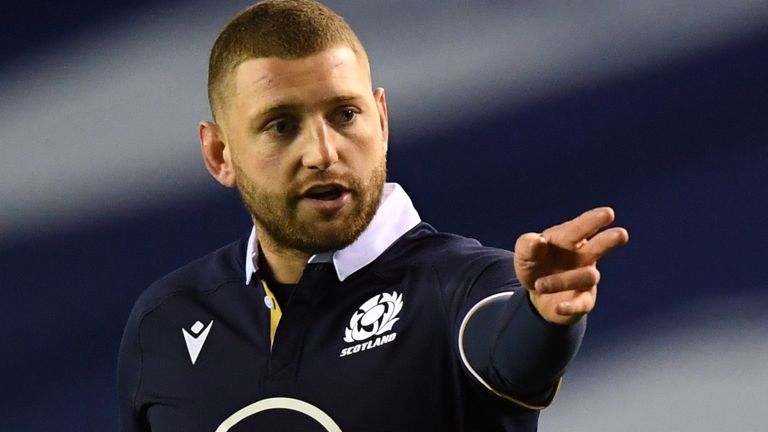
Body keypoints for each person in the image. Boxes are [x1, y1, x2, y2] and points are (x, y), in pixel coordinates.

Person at [117, 1, 629, 431]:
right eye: (280, 125)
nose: (322, 152)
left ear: (380, 120)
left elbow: (509, 349)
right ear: (219, 155)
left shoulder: (460, 286)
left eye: (344, 115)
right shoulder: (163, 323)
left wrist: (544, 319)